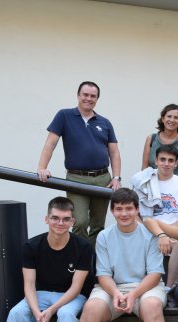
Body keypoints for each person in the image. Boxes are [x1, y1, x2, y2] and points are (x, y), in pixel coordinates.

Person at [73, 188, 166, 322]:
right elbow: (103, 274)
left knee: (151, 305)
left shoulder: (149, 235)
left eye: (129, 209)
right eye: (119, 209)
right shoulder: (104, 237)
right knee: (91, 308)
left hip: (146, 287)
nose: (124, 214)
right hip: (112, 287)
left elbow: (155, 274)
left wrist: (133, 295)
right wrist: (115, 293)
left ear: (137, 210)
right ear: (112, 212)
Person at [36, 81, 121, 246]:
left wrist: (116, 177)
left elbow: (114, 152)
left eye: (93, 96)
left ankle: (92, 262)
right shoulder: (64, 115)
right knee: (80, 222)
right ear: (78, 95)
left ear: (97, 99)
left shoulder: (104, 122)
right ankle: (80, 260)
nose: (88, 98)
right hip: (76, 178)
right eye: (85, 95)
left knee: (98, 225)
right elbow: (50, 143)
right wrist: (42, 167)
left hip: (103, 179)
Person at [131, 144, 178, 288]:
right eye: (163, 159)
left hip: (174, 234)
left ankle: (169, 288)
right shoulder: (143, 183)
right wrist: (155, 234)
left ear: (176, 163)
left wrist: (165, 234)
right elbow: (133, 215)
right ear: (156, 161)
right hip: (146, 232)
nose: (166, 164)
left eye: (171, 160)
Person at [140, 103, 178, 184]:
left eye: (176, 118)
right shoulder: (151, 139)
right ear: (163, 118)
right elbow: (144, 169)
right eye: (169, 116)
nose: (172, 120)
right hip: (153, 188)